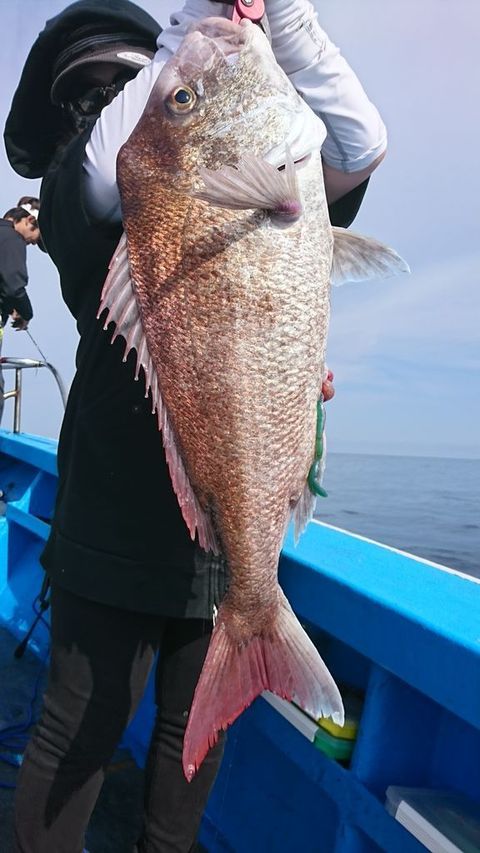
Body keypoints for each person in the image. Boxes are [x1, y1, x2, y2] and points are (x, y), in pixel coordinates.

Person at [4, 1, 387, 850]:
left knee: (191, 750)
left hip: (220, 528)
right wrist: (189, 34)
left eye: (121, 78)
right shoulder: (93, 187)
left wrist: (275, 12)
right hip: (115, 522)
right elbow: (121, 164)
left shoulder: (259, 169)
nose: (109, 100)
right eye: (99, 95)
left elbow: (359, 144)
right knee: (77, 736)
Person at [0, 206, 39, 423]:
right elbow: (14, 287)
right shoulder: (12, 239)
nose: (32, 243)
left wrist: (8, 304)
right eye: (35, 236)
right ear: (26, 220)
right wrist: (26, 313)